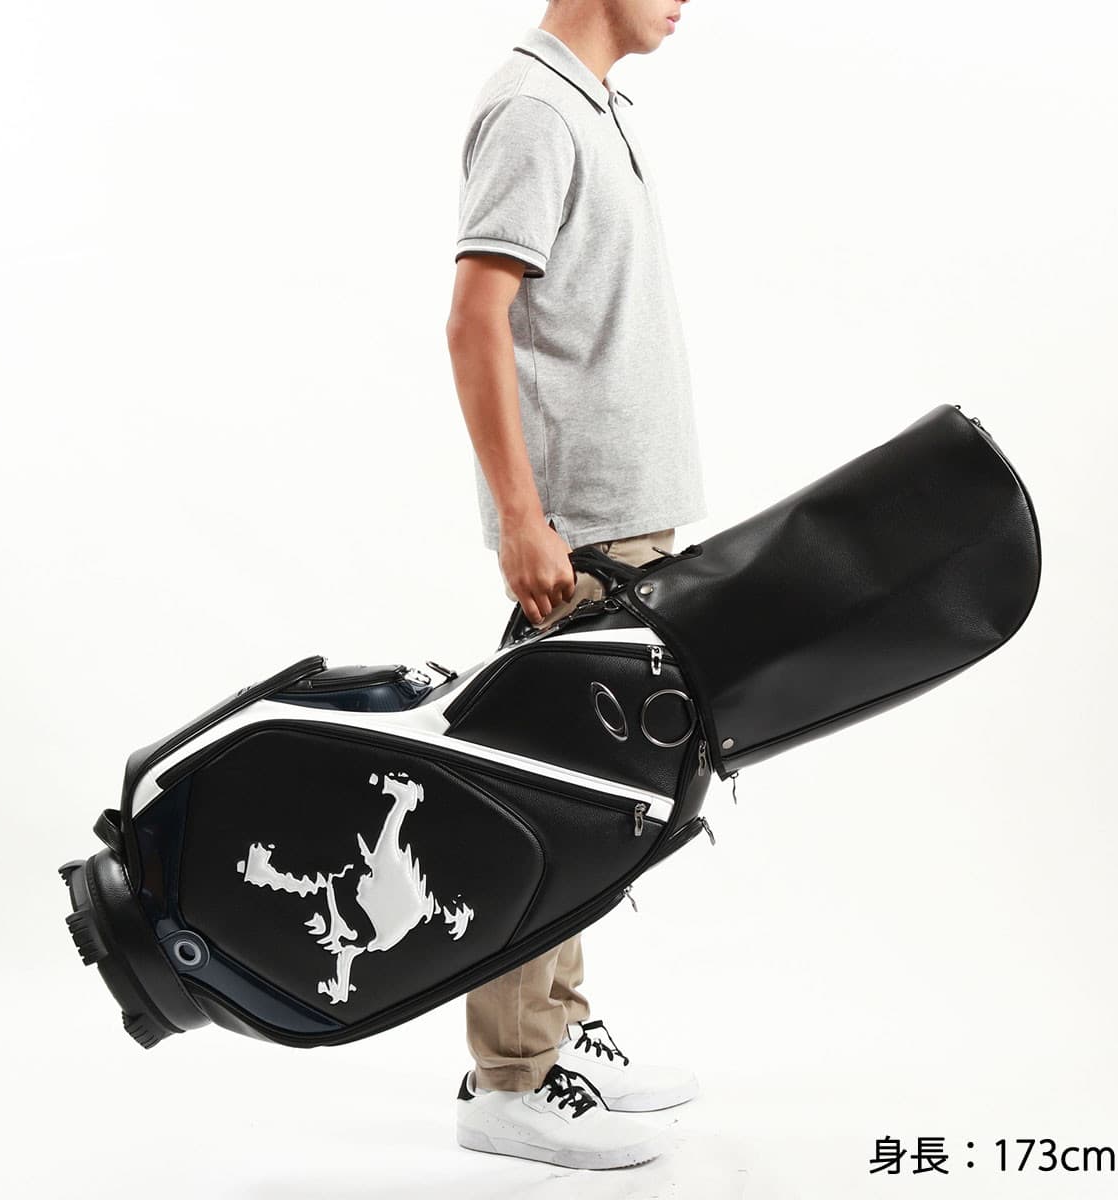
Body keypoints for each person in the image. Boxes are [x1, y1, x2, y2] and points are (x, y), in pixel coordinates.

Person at [444, 0, 706, 1171]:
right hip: (578, 537)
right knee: (546, 802)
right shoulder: (535, 108)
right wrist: (523, 518)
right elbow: (474, 320)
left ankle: (554, 1030)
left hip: (620, 527)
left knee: (593, 806)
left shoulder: (588, 104)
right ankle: (509, 1078)